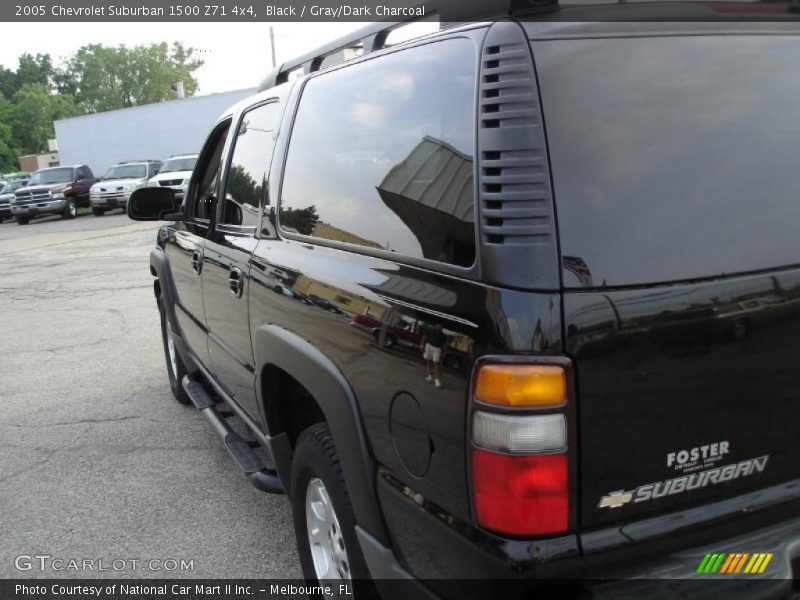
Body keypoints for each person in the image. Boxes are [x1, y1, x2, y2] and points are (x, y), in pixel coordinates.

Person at [421, 323, 446, 388]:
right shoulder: (430, 330)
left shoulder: (443, 335)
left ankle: (437, 380)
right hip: (429, 345)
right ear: (436, 325)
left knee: (436, 364)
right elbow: (424, 337)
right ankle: (429, 376)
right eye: (439, 325)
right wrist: (422, 345)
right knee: (429, 361)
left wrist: (444, 353)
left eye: (441, 326)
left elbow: (444, 345)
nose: (440, 326)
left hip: (437, 349)